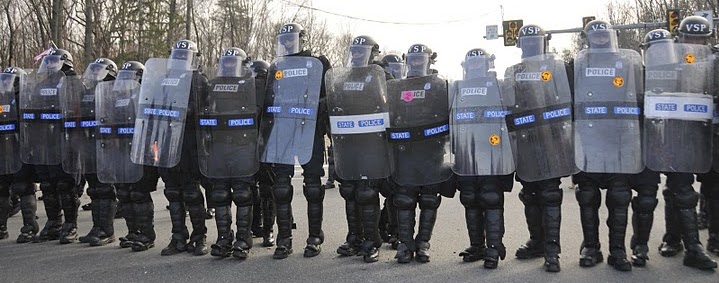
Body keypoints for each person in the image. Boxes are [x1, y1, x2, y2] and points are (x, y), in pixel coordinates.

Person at [646, 16, 717, 270]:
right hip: (676, 135)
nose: (695, 43)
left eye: (701, 39)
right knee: (680, 190)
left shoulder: (714, 63)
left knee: (703, 189)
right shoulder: (669, 61)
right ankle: (680, 243)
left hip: (706, 135)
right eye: (691, 38)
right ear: (680, 39)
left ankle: (702, 240)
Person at [572, 20, 644, 271]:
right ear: (587, 38)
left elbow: (640, 96)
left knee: (619, 197)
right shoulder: (579, 65)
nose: (600, 39)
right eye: (596, 35)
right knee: (588, 196)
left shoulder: (627, 62)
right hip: (589, 140)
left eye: (604, 35)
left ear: (611, 36)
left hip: (619, 139)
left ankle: (618, 251)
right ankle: (592, 247)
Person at [505, 24, 574, 272]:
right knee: (530, 195)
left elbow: (566, 101)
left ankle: (552, 251)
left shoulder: (556, 67)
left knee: (550, 194)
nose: (531, 46)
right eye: (527, 42)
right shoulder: (513, 71)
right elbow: (509, 105)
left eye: (535, 42)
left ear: (544, 42)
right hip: (527, 140)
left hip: (552, 138)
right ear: (520, 45)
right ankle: (537, 242)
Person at [260, 23, 331, 259]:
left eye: (291, 38)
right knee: (280, 187)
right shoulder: (277, 66)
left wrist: (316, 107)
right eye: (284, 39)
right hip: (283, 130)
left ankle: (314, 237)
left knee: (312, 185)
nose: (288, 42)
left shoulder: (318, 62)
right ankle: (284, 240)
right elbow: (268, 100)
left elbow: (329, 95)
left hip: (309, 130)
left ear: (301, 39)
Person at [386, 43, 454, 264]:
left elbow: (450, 116)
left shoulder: (439, 85)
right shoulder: (396, 87)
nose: (415, 63)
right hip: (405, 151)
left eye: (419, 59)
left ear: (428, 61)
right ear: (407, 61)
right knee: (404, 199)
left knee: (429, 199)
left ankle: (423, 242)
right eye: (412, 59)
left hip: (431, 152)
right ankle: (405, 244)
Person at [328, 35, 392, 263]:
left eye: (360, 51)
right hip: (348, 143)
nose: (356, 55)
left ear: (373, 52)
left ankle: (371, 241)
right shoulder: (342, 77)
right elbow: (333, 105)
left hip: (371, 143)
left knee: (367, 193)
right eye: (353, 51)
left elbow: (390, 107)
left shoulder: (382, 75)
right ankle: (354, 238)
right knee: (349, 191)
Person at [452, 48, 515, 269]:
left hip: (492, 150)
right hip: (466, 150)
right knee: (470, 198)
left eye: (480, 63)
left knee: (490, 198)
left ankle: (494, 247)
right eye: (472, 63)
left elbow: (511, 115)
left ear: (488, 64)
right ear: (465, 65)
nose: (476, 66)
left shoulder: (499, 86)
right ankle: (477, 245)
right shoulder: (456, 88)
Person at [21, 49, 82, 244]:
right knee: (47, 185)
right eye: (47, 62)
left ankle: (70, 225)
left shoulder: (72, 82)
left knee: (65, 184)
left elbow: (77, 110)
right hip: (42, 140)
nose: (48, 65)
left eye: (53, 61)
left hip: (64, 141)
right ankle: (54, 223)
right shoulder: (41, 84)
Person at [0, 67, 38, 242]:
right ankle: (2, 227)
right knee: (2, 189)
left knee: (23, 187)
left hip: (21, 149)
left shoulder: (27, 100)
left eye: (10, 81)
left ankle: (29, 227)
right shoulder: (1, 99)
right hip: (3, 150)